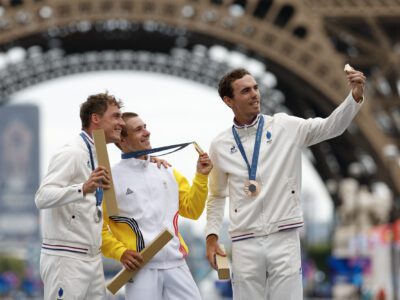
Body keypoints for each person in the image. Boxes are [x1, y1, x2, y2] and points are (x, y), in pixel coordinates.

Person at [205, 67, 366, 299]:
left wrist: (355, 97)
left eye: (256, 88)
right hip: (244, 241)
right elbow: (217, 195)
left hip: (284, 236)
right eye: (246, 91)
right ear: (229, 100)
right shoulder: (220, 145)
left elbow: (331, 126)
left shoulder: (284, 126)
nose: (255, 94)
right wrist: (211, 238)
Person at [101, 112, 213, 299]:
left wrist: (201, 176)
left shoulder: (167, 170)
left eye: (145, 127)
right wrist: (120, 253)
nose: (147, 132)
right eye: (138, 130)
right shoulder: (111, 179)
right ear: (123, 140)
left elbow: (192, 211)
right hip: (141, 268)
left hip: (177, 264)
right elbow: (98, 228)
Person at [35, 93, 124, 299]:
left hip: (91, 258)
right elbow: (42, 197)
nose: (121, 123)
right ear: (95, 118)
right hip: (66, 258)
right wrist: (82, 188)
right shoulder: (72, 152)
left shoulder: (97, 153)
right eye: (116, 116)